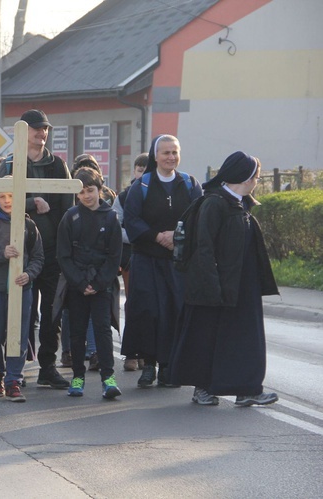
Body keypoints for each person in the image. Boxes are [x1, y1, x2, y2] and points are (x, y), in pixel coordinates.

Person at [170, 152, 279, 407]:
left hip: (242, 286)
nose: (257, 181)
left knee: (243, 340)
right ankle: (204, 389)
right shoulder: (214, 203)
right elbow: (203, 248)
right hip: (216, 287)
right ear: (245, 177)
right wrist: (212, 287)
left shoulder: (240, 203)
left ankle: (247, 389)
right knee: (208, 339)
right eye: (256, 177)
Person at [0, 109, 74, 389]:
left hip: (51, 250)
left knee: (52, 311)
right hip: (21, 251)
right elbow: (1, 203)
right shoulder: (9, 164)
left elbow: (68, 208)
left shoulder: (58, 165)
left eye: (45, 129)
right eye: (36, 128)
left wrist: (66, 249)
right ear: (23, 132)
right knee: (20, 312)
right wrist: (32, 203)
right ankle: (17, 367)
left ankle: (48, 366)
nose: (42, 133)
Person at [122, 134, 202, 387]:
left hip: (177, 263)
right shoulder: (141, 186)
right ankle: (148, 365)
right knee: (148, 312)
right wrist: (157, 236)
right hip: (147, 260)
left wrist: (177, 236)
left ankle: (169, 366)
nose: (170, 157)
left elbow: (199, 218)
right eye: (166, 153)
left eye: (174, 152)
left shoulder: (190, 184)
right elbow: (131, 219)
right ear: (155, 156)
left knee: (174, 311)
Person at [58, 167, 122, 399]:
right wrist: (80, 282)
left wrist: (97, 283)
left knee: (103, 330)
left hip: (101, 285)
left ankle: (108, 378)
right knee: (76, 332)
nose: (87, 196)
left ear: (100, 189)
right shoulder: (70, 217)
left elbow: (115, 256)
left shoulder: (111, 217)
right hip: (77, 286)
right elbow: (63, 255)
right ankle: (77, 376)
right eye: (82, 192)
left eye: (91, 190)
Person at [0, 187, 43, 402]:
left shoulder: (29, 225)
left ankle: (13, 379)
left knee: (18, 336)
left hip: (21, 289)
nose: (7, 200)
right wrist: (2, 254)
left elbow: (38, 258)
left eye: (12, 196)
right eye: (3, 196)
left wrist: (29, 274)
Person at [113, 152, 148, 371]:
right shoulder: (124, 197)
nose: (143, 173)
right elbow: (117, 226)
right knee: (134, 303)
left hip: (157, 256)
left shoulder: (160, 193)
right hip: (133, 257)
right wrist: (139, 236)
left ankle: (149, 353)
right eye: (139, 169)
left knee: (154, 306)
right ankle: (132, 353)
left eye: (146, 169)